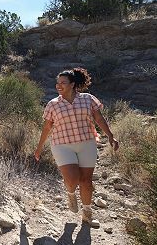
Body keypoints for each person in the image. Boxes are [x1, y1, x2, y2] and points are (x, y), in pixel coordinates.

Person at [34, 68, 119, 228]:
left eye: (63, 83)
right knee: (73, 179)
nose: (59, 86)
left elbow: (99, 118)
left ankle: (87, 214)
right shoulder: (53, 104)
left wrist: (110, 135)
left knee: (86, 181)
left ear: (73, 84)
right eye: (57, 83)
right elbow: (47, 128)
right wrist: (39, 148)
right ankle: (71, 194)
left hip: (86, 143)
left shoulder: (87, 99)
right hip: (62, 145)